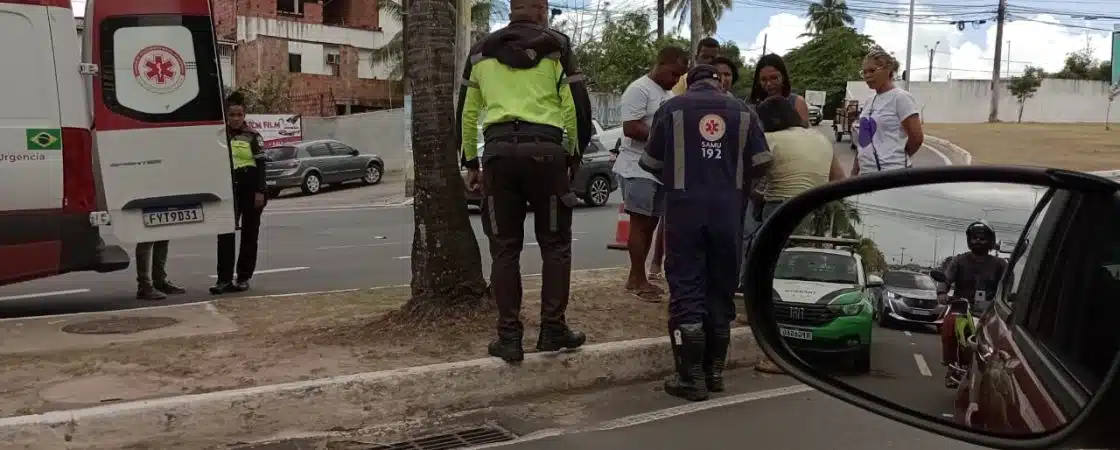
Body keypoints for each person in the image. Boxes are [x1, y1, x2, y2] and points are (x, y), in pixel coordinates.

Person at [456, 0, 594, 363]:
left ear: (512, 10)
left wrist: (471, 160)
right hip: (545, 153)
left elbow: (467, 112)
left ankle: (509, 337)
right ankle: (552, 329)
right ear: (542, 10)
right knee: (555, 245)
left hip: (499, 155)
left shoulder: (481, 51)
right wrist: (573, 155)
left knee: (504, 249)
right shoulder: (557, 47)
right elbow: (575, 105)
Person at [639, 65, 772, 401]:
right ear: (719, 82)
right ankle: (713, 374)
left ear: (691, 82)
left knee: (686, 289)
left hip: (684, 213)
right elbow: (762, 162)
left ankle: (691, 378)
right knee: (720, 289)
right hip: (729, 214)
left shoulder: (671, 109)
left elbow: (651, 164)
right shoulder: (744, 112)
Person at [745, 95, 846, 374]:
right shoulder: (821, 139)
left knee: (775, 282)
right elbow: (840, 181)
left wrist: (756, 196)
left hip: (781, 213)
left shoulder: (770, 139)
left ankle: (779, 354)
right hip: (815, 214)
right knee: (803, 284)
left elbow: (750, 183)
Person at [613, 46, 689, 300]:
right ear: (660, 64)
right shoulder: (639, 89)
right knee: (640, 223)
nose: (676, 80)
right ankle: (637, 279)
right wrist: (668, 138)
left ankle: (637, 278)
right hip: (637, 166)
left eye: (680, 76)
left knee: (652, 223)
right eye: (674, 73)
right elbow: (631, 128)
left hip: (657, 169)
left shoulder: (665, 93)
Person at [936, 221, 1007, 389]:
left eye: (982, 238)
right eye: (974, 237)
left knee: (1004, 340)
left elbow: (1008, 286)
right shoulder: (958, 261)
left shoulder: (1000, 265)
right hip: (962, 309)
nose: (978, 241)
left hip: (991, 313)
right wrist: (942, 293)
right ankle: (951, 367)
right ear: (968, 240)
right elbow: (946, 279)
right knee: (948, 326)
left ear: (990, 241)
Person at [210, 92, 268, 295]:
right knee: (225, 235)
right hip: (227, 191)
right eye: (232, 114)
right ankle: (223, 280)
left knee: (249, 235)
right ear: (226, 115)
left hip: (251, 190)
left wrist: (260, 192)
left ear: (244, 116)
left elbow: (261, 166)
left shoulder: (253, 136)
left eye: (239, 115)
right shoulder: (219, 135)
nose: (236, 118)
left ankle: (243, 277)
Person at [852, 47, 925, 177]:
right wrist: (854, 173)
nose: (867, 76)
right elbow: (864, 141)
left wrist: (894, 158)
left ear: (888, 70)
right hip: (866, 175)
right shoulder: (869, 101)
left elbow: (917, 138)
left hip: (893, 175)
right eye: (864, 72)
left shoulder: (901, 98)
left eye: (872, 70)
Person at [748, 53, 810, 127]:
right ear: (758, 81)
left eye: (774, 78)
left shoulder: (797, 102)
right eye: (763, 79)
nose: (769, 84)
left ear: (783, 77)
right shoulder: (753, 105)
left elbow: (804, 134)